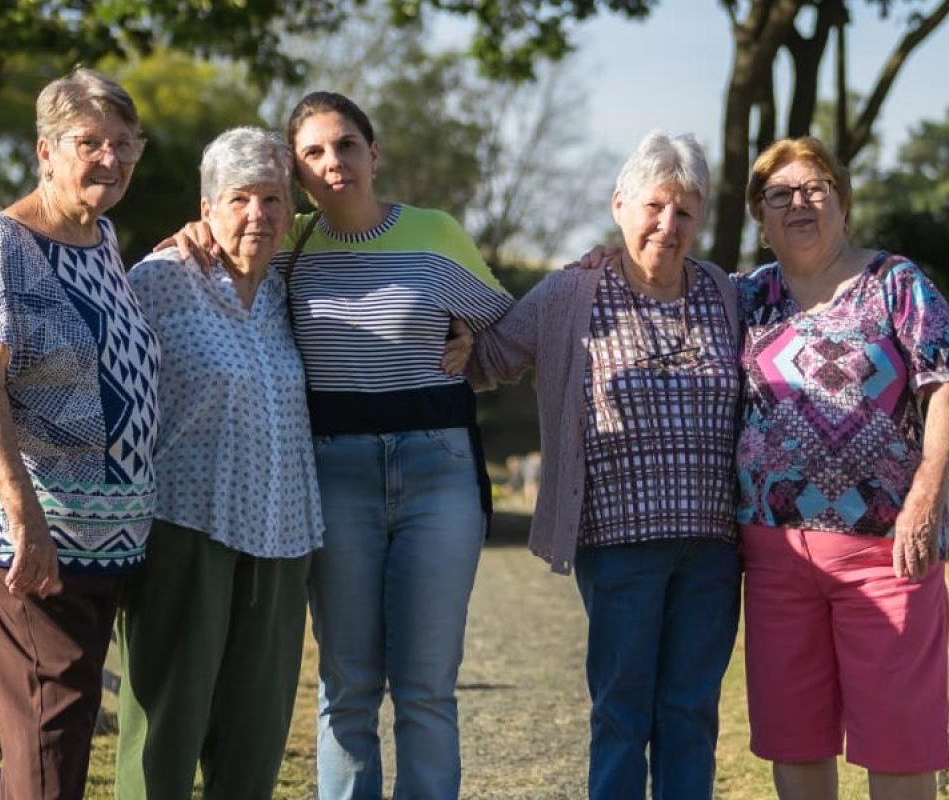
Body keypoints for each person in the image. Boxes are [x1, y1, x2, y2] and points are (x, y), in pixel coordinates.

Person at [170, 91, 513, 798]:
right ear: (297, 175)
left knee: (425, 685)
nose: (334, 163)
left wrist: (473, 339)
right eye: (314, 154)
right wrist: (192, 232)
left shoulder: (435, 233)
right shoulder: (287, 242)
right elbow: (226, 234)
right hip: (334, 474)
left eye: (347, 145)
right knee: (347, 684)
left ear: (374, 153)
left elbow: (510, 327)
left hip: (438, 470)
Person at [464, 131, 743, 800]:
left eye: (685, 211)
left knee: (690, 714)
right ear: (620, 205)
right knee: (621, 712)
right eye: (653, 207)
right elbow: (486, 356)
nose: (667, 226)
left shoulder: (730, 296)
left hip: (712, 546)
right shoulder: (569, 294)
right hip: (618, 543)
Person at [0, 67, 158, 800]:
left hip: (103, 539)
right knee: (48, 730)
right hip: (35, 539)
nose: (110, 159)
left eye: (125, 144)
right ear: (45, 150)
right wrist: (24, 518)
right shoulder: (3, 245)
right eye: (89, 142)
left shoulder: (102, 239)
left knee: (59, 728)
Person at [113, 127, 324, 799]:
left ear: (293, 214)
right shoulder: (159, 280)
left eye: (272, 199)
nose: (257, 215)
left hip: (283, 538)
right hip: (185, 529)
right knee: (164, 735)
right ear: (207, 210)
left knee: (255, 741)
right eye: (239, 200)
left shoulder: (293, 292)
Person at [736, 136, 949, 800]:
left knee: (900, 739)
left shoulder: (896, 283)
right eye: (780, 194)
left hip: (888, 553)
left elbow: (943, 384)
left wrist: (927, 497)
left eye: (814, 188)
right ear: (760, 218)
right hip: (773, 558)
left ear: (843, 201)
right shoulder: (744, 298)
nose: (798, 203)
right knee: (793, 738)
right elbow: (656, 293)